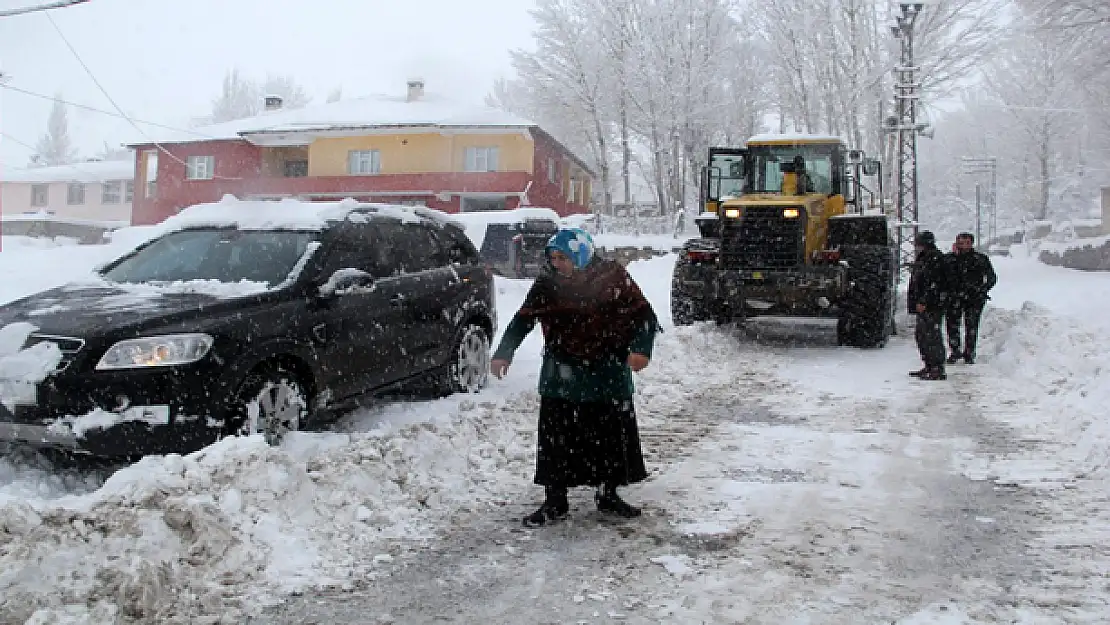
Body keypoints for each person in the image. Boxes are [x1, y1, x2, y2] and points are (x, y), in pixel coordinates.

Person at [490, 227, 661, 527]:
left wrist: (641, 350)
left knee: (608, 437)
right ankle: (555, 501)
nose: (557, 264)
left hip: (607, 371)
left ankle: (607, 494)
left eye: (563, 258)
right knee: (557, 439)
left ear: (582, 254)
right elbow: (524, 318)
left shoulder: (612, 277)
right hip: (562, 374)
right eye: (553, 258)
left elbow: (644, 315)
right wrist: (504, 351)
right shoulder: (547, 283)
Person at [945, 232, 997, 364]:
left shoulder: (980, 259)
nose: (963, 246)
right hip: (954, 297)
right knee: (952, 325)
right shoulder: (949, 259)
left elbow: (991, 277)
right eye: (960, 242)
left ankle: (969, 353)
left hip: (974, 298)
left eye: (966, 243)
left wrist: (982, 290)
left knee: (972, 326)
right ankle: (955, 351)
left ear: (971, 244)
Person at [907, 230, 951, 381]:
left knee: (932, 336)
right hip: (926, 303)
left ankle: (937, 368)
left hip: (932, 305)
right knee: (922, 335)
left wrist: (924, 301)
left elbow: (934, 283)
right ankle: (929, 365)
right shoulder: (925, 258)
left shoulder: (934, 259)